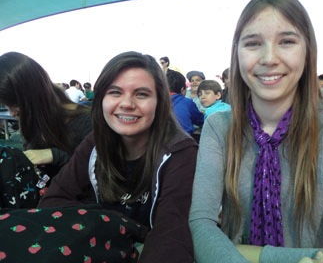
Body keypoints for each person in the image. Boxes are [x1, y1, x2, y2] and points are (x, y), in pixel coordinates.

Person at [189, 0, 323, 263]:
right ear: (237, 54)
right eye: (253, 43)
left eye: (287, 41)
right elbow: (200, 225)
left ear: (307, 52)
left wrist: (249, 254)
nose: (269, 58)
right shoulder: (219, 127)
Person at [38, 51, 198, 262]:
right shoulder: (95, 142)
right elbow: (52, 201)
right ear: (101, 99)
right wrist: (105, 224)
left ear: (160, 102)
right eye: (115, 92)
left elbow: (172, 233)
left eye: (141, 94)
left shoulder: (180, 153)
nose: (127, 103)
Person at [0, 51, 92, 207]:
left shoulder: (86, 122)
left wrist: (54, 155)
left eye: (13, 103)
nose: (11, 112)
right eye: (5, 105)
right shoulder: (34, 125)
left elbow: (101, 171)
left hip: (80, 214)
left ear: (30, 97)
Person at [166, 70, 204, 137]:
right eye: (192, 81)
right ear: (182, 89)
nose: (194, 82)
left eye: (198, 80)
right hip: (183, 141)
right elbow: (201, 120)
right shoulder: (187, 102)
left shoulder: (156, 101)